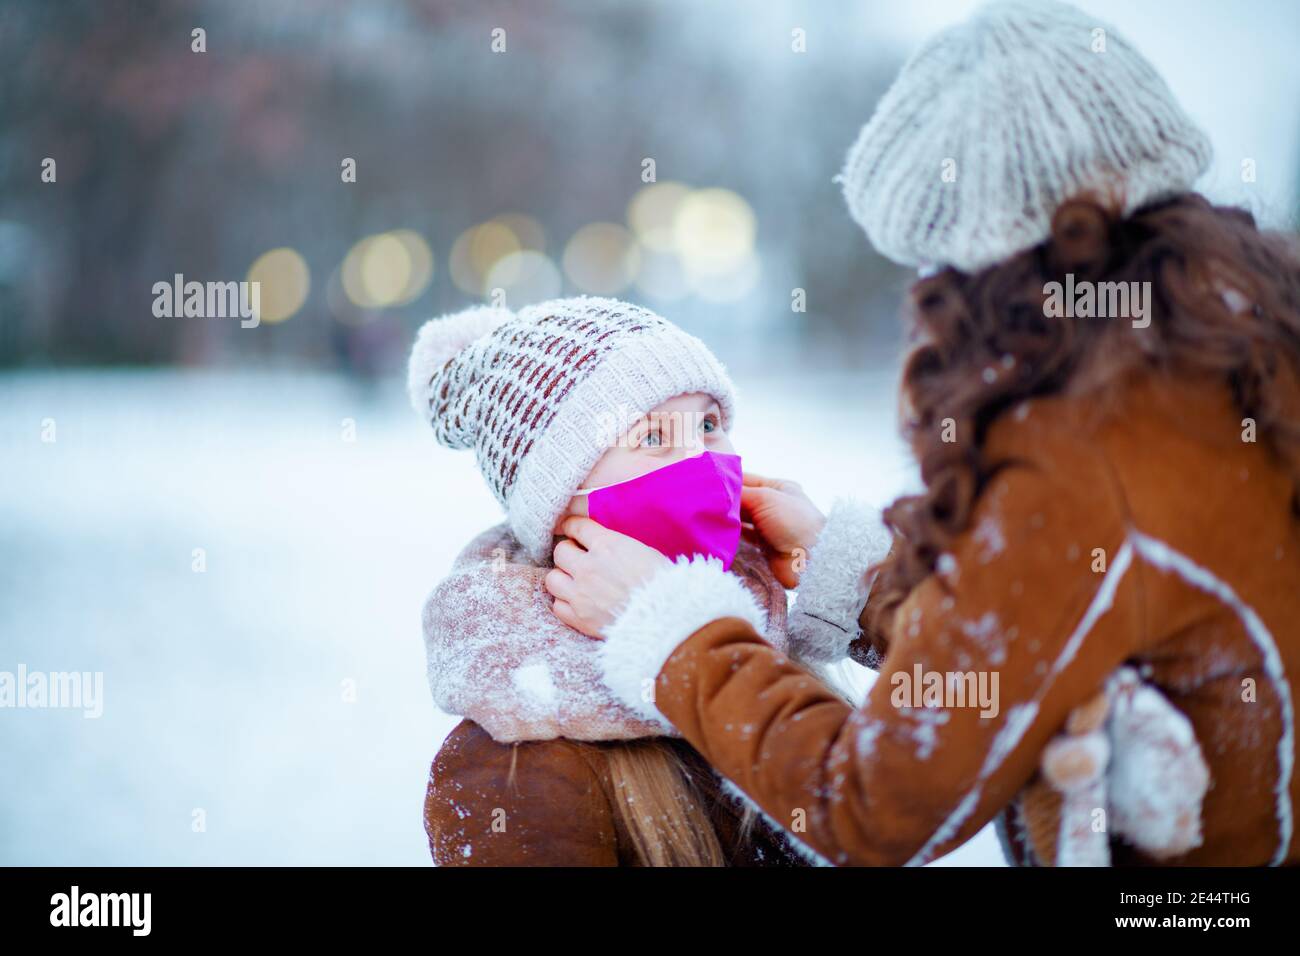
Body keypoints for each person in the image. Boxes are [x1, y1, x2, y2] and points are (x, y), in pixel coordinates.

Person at [546, 0, 1300, 866]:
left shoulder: (1089, 459)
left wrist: (669, 627)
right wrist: (855, 571)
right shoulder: (1234, 366)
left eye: (934, 263)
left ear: (982, 266)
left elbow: (872, 805)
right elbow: (1038, 634)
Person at [409, 296, 841, 866]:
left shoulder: (775, 643)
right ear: (561, 504)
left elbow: (915, 784)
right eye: (652, 437)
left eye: (708, 425)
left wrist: (836, 563)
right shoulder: (516, 763)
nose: (699, 461)